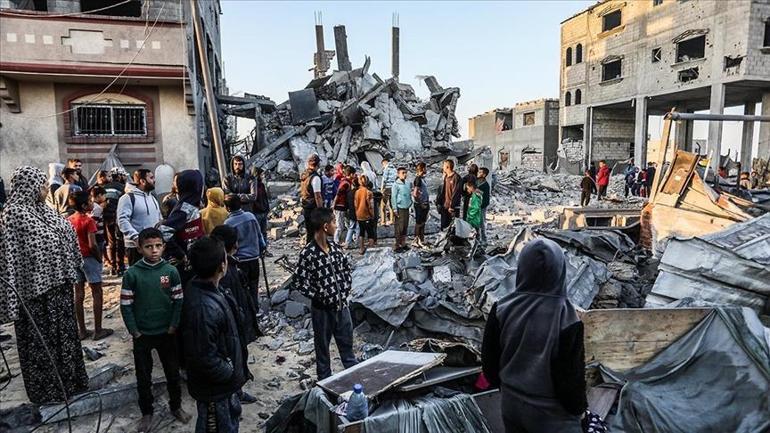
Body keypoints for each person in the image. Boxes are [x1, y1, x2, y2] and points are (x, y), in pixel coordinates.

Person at [0, 166, 89, 404]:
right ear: (28, 187)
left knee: (65, 337)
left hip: (59, 288)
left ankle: (72, 383)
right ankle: (49, 392)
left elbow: (64, 231)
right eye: (41, 186)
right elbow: (10, 259)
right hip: (36, 294)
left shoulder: (44, 210)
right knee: (43, 342)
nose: (45, 190)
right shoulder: (14, 214)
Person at [481, 239, 587, 433]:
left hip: (511, 405)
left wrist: (507, 389)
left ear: (522, 268)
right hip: (552, 417)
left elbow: (489, 363)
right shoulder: (567, 318)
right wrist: (580, 410)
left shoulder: (501, 308)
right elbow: (570, 379)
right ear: (560, 270)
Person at [120, 228, 190, 432]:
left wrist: (173, 324)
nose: (154, 250)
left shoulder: (171, 271)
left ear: (164, 247)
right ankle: (147, 412)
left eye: (158, 246)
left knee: (172, 373)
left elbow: (178, 300)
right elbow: (126, 305)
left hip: (166, 333)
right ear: (139, 248)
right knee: (143, 377)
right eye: (149, 247)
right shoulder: (132, 274)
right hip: (142, 334)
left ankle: (176, 406)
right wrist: (134, 330)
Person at [182, 236, 249, 433]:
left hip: (222, 387)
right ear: (222, 266)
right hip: (215, 389)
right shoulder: (203, 307)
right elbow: (204, 358)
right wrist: (228, 371)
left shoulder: (209, 288)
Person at [295, 208, 357, 379]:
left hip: (342, 307)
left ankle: (356, 380)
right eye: (333, 222)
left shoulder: (335, 249)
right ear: (325, 226)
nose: (336, 226)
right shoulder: (308, 254)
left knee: (347, 349)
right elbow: (299, 282)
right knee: (322, 350)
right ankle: (324, 382)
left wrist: (345, 289)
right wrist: (318, 296)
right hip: (322, 312)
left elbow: (346, 270)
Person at [210, 224, 260, 405]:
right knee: (233, 358)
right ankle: (235, 394)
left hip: (235, 322)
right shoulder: (224, 271)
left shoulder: (228, 266)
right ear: (233, 245)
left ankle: (237, 389)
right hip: (232, 325)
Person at [68, 191, 112, 341]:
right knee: (96, 292)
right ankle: (98, 330)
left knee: (78, 294)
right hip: (89, 258)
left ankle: (82, 330)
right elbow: (92, 244)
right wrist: (99, 258)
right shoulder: (89, 221)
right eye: (90, 201)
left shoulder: (69, 219)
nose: (93, 203)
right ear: (84, 205)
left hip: (75, 258)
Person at [159, 170, 205, 275]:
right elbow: (163, 231)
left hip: (195, 260)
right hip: (185, 267)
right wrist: (180, 254)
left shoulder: (191, 205)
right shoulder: (184, 208)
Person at [224, 194, 266, 307]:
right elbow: (259, 235)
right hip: (254, 257)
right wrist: (262, 247)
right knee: (254, 284)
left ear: (227, 208)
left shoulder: (228, 223)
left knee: (243, 287)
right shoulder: (251, 216)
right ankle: (255, 306)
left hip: (240, 260)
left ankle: (248, 309)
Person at [117, 169, 161, 266]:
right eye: (151, 178)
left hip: (153, 245)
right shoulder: (127, 198)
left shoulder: (153, 198)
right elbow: (122, 221)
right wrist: (136, 237)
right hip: (136, 247)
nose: (154, 180)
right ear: (142, 181)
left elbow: (159, 219)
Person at [104, 168, 127, 275]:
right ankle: (120, 266)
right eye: (124, 176)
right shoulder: (122, 188)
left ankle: (113, 266)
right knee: (120, 242)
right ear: (119, 176)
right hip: (117, 218)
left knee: (111, 242)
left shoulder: (105, 187)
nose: (125, 178)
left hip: (107, 218)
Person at [300, 154, 324, 240]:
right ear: (318, 164)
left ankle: (309, 247)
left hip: (306, 206)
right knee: (315, 233)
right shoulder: (315, 178)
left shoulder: (305, 175)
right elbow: (318, 196)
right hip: (313, 208)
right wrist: (321, 210)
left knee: (310, 232)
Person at [436, 159, 462, 230]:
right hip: (444, 206)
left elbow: (456, 193)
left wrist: (452, 206)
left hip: (452, 208)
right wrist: (439, 203)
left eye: (443, 166)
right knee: (444, 226)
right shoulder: (445, 177)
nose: (442, 167)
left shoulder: (456, 177)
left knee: (452, 228)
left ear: (447, 167)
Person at [354, 174, 376, 255]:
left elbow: (355, 204)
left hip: (359, 215)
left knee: (361, 232)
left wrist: (357, 212)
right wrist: (372, 214)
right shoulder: (368, 192)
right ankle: (371, 250)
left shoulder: (357, 192)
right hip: (367, 215)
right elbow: (371, 206)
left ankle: (361, 248)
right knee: (370, 233)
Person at [392, 167, 412, 252]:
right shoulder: (396, 184)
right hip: (399, 207)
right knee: (399, 227)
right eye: (403, 173)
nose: (405, 174)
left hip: (406, 206)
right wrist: (394, 209)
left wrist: (411, 204)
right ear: (398, 174)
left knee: (405, 226)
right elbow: (393, 197)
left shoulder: (407, 183)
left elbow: (409, 194)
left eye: (405, 173)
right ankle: (397, 245)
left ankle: (403, 243)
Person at [252, 167, 271, 253]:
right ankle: (259, 251)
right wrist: (260, 207)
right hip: (257, 212)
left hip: (263, 211)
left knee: (264, 232)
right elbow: (254, 200)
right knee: (258, 233)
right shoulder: (253, 186)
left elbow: (265, 198)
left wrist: (266, 209)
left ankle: (264, 250)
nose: (263, 176)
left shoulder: (262, 185)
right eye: (261, 175)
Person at [333, 165, 353, 245]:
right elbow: (338, 194)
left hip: (344, 207)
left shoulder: (346, 182)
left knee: (348, 224)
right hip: (340, 207)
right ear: (351, 174)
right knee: (340, 226)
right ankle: (336, 241)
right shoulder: (345, 183)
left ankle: (349, 240)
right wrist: (334, 205)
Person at [412, 162, 430, 248]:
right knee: (419, 223)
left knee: (423, 222)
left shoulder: (422, 179)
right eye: (425, 168)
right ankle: (416, 240)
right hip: (420, 204)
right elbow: (415, 194)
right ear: (422, 169)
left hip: (425, 203)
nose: (426, 170)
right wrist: (420, 203)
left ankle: (421, 239)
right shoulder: (418, 179)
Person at [89, 186, 107, 259]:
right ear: (99, 195)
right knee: (98, 257)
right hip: (98, 236)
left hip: (93, 236)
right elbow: (93, 223)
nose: (105, 197)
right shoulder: (97, 208)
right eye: (104, 195)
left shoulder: (90, 205)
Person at [380, 158, 397, 226]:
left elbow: (384, 180)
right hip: (393, 188)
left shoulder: (387, 169)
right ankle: (392, 220)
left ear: (384, 163)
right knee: (391, 204)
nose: (383, 167)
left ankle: (383, 221)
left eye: (383, 165)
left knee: (383, 205)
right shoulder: (394, 169)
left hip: (387, 188)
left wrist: (382, 189)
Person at [477, 168, 491, 246]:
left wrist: (480, 206)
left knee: (481, 224)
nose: (478, 173)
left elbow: (486, 199)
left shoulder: (485, 185)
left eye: (480, 172)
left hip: (481, 207)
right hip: (474, 206)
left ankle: (484, 239)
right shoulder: (476, 182)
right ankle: (477, 239)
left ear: (484, 175)